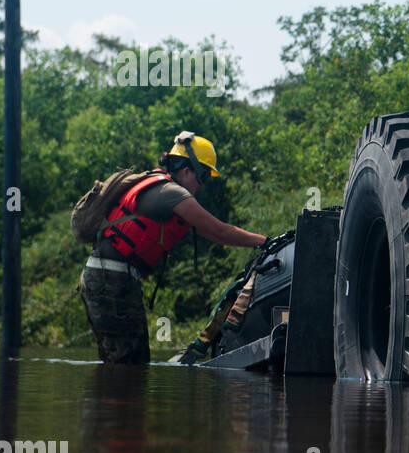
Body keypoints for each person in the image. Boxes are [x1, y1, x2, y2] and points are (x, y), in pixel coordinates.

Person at [78, 131, 268, 364]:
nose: (202, 185)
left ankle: (108, 399)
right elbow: (220, 231)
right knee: (128, 364)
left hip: (110, 278)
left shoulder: (161, 187)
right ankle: (113, 401)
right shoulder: (171, 193)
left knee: (124, 363)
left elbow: (213, 234)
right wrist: (267, 241)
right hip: (110, 280)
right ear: (187, 170)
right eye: (204, 176)